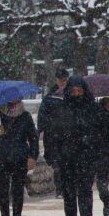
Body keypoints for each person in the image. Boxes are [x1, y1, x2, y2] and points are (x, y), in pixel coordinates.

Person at [46, 76, 108, 216]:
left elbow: (103, 132)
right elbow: (53, 133)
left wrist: (93, 144)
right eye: (73, 91)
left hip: (86, 156)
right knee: (68, 192)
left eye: (79, 91)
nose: (76, 94)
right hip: (66, 157)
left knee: (85, 191)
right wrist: (53, 154)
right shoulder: (61, 110)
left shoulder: (93, 109)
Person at [0, 99, 39, 216]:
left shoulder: (25, 116)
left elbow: (33, 138)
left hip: (20, 157)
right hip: (2, 156)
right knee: (2, 189)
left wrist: (33, 156)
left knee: (18, 189)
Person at [37, 68, 69, 197]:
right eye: (61, 80)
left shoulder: (72, 95)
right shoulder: (50, 97)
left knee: (68, 163)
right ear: (57, 80)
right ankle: (60, 189)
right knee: (57, 164)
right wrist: (40, 130)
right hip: (53, 136)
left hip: (69, 135)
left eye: (65, 80)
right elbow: (42, 116)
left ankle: (67, 187)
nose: (63, 82)